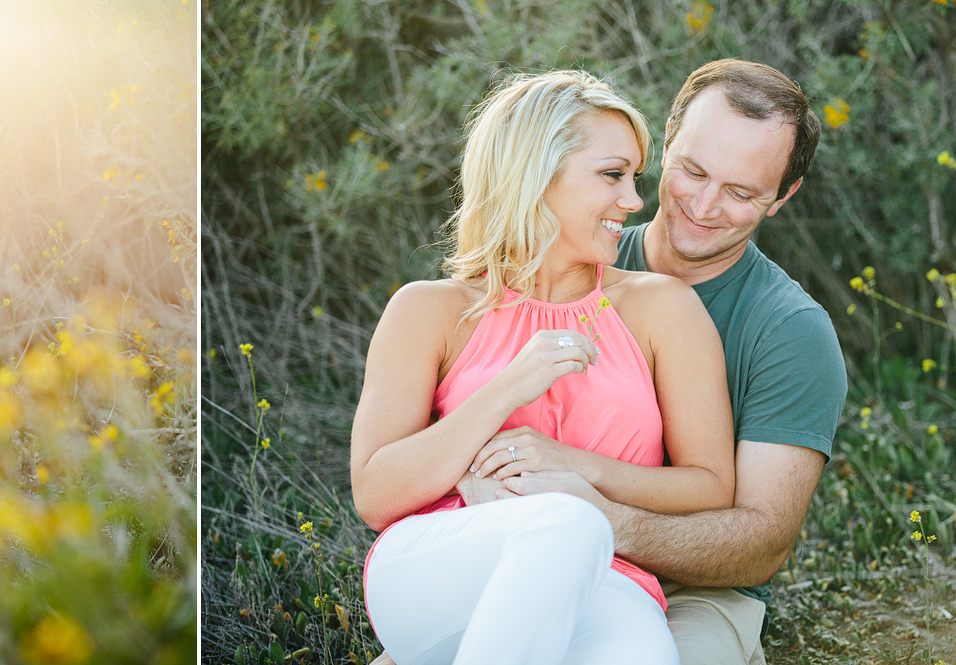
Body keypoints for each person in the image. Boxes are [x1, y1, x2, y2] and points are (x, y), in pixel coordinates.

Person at [351, 70, 737, 664]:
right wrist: (510, 386)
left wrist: (576, 472)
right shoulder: (427, 310)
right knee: (565, 527)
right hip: (441, 564)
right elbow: (376, 494)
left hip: (611, 581)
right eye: (612, 175)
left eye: (635, 177)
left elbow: (711, 486)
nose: (635, 201)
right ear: (536, 174)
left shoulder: (663, 309)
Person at [494, 59, 847, 665]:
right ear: (667, 139)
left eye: (741, 193)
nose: (705, 205)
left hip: (695, 593)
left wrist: (604, 522)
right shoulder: (570, 258)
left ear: (783, 196)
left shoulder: (791, 332)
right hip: (530, 555)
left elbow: (760, 545)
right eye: (692, 170)